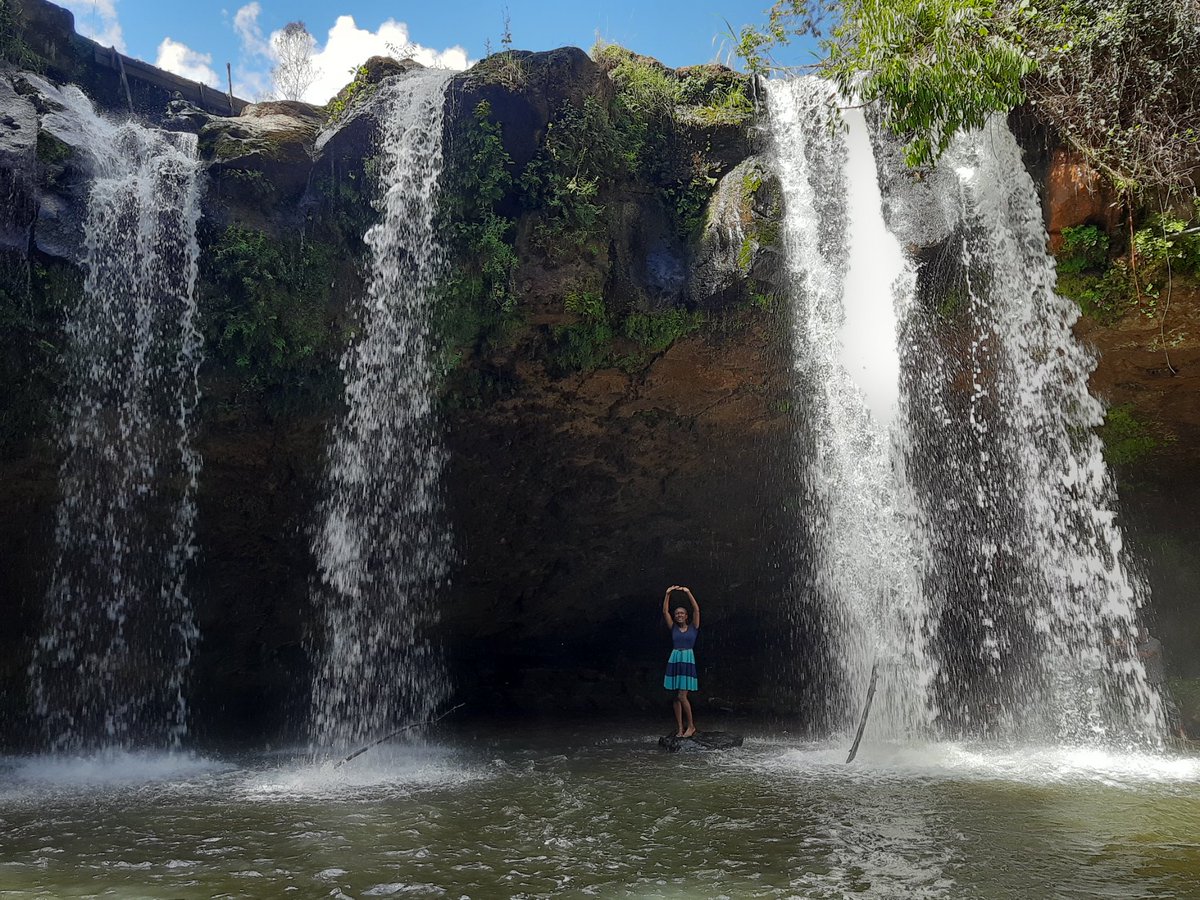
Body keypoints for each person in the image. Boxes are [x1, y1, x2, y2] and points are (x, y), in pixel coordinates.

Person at [662, 584, 700, 738]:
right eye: (677, 613)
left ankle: (691, 726)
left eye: (681, 613)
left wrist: (688, 592)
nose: (678, 615)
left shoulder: (694, 627)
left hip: (688, 659)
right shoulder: (673, 628)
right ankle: (679, 728)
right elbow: (665, 611)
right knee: (676, 696)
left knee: (682, 695)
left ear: (686, 616)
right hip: (675, 659)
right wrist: (668, 594)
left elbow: (696, 610)